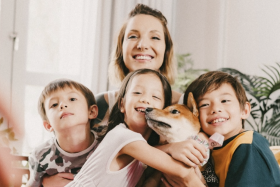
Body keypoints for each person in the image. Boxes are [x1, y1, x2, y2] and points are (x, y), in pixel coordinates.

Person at [64, 69, 205, 187]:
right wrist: (172, 148)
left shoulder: (144, 153)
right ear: (122, 104)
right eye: (137, 93)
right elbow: (182, 172)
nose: (145, 99)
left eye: (155, 96)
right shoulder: (122, 135)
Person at [93, 3, 182, 133]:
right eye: (133, 36)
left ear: (166, 49)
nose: (142, 45)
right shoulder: (98, 105)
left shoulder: (183, 104)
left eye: (155, 37)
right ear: (121, 47)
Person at [184, 71, 280, 187]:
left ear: (244, 110)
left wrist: (192, 182)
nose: (216, 109)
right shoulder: (211, 147)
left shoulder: (247, 145)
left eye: (224, 101)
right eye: (204, 104)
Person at [26, 79, 99, 187]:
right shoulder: (40, 156)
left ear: (91, 112)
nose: (63, 105)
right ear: (48, 125)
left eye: (72, 99)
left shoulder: (106, 144)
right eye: (54, 104)